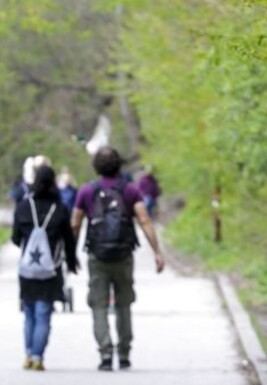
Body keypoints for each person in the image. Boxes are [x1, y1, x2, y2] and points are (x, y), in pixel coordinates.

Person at [70, 147, 165, 371]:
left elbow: (75, 224)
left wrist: (70, 253)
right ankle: (124, 353)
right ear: (119, 165)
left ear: (96, 167)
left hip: (97, 256)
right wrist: (157, 252)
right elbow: (144, 220)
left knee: (98, 304)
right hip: (123, 255)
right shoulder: (130, 190)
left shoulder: (87, 191)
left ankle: (105, 353)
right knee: (124, 304)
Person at [12, 165, 79, 370]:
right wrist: (71, 261)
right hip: (51, 269)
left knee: (30, 313)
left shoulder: (23, 207)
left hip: (28, 268)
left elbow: (15, 238)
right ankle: (38, 357)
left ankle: (28, 355)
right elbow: (68, 240)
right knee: (44, 313)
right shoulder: (59, 208)